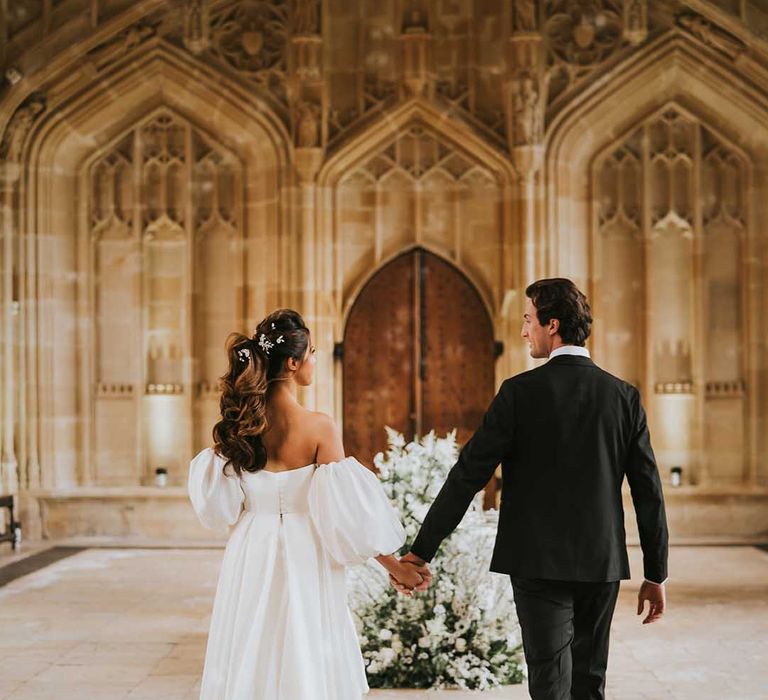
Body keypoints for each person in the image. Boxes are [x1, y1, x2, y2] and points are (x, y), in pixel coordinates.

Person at [395, 278, 669, 700]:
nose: (524, 331)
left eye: (528, 320)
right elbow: (648, 490)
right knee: (589, 683)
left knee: (548, 682)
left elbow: (468, 475)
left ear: (552, 325)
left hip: (536, 561)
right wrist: (656, 572)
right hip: (601, 560)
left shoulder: (519, 393)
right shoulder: (623, 397)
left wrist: (421, 550)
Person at [188, 309, 425, 700]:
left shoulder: (241, 423)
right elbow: (346, 514)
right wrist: (395, 566)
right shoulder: (319, 426)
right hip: (304, 549)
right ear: (294, 363)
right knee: (305, 644)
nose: (315, 360)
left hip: (251, 547)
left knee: (252, 641)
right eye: (312, 352)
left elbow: (220, 506)